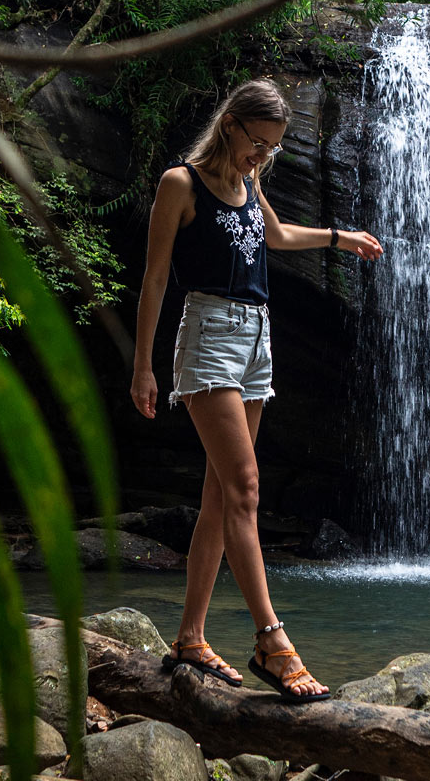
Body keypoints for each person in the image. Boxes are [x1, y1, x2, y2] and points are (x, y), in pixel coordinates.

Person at [129, 77, 383, 702]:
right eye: (257, 143)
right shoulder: (179, 184)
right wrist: (143, 366)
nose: (261, 156)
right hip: (209, 334)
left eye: (271, 149)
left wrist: (338, 237)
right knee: (245, 487)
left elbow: (273, 237)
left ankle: (190, 636)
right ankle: (273, 640)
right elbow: (155, 280)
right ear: (231, 123)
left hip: (256, 340)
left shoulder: (250, 184)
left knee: (220, 495)